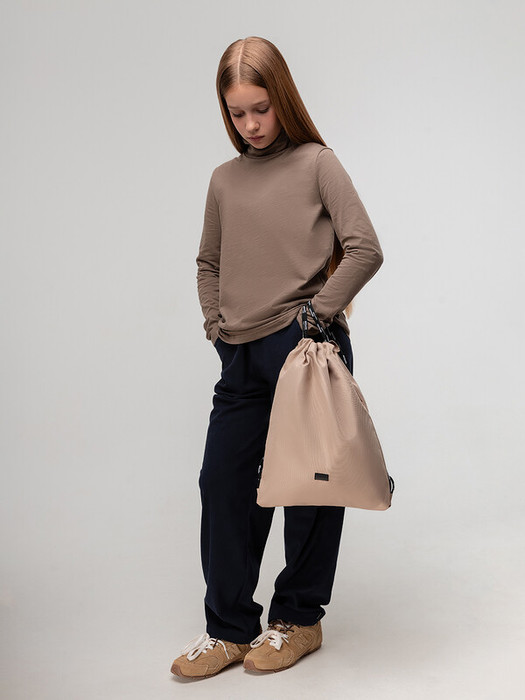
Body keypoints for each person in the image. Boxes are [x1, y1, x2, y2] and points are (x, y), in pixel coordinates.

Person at [171, 35, 384, 680]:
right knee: (223, 484)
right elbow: (208, 262)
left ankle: (297, 619)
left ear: (282, 99)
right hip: (239, 356)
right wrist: (216, 325)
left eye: (260, 108)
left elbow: (365, 247)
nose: (251, 125)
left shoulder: (318, 163)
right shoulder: (224, 180)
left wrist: (316, 316)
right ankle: (229, 629)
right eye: (237, 113)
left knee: (311, 487)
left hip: (306, 348)